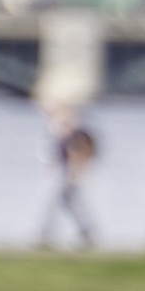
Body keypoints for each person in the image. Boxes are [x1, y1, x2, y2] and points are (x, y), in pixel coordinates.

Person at [36, 106, 102, 249]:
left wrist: (73, 174)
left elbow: (79, 156)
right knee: (69, 204)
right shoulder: (70, 137)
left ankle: (47, 235)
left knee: (59, 204)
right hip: (69, 175)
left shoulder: (77, 138)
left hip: (72, 176)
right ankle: (86, 232)